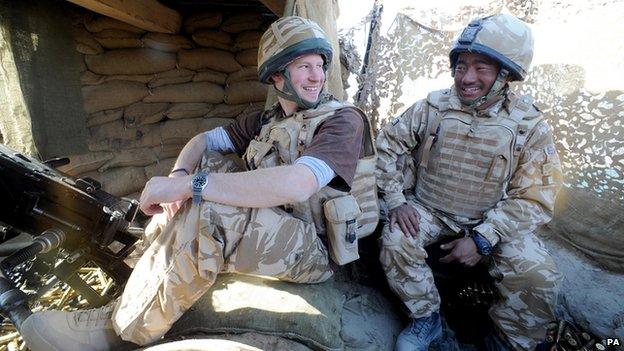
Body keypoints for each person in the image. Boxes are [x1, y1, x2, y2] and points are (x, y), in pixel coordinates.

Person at [20, 16, 377, 351]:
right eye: (304, 67)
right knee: (203, 175)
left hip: (311, 250)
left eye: (319, 66)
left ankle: (122, 332)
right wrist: (178, 177)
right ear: (277, 76)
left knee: (212, 209)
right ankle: (137, 289)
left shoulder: (342, 121)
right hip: (275, 227)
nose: (317, 77)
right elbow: (203, 142)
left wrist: (194, 185)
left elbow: (299, 183)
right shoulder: (266, 121)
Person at [375, 13, 563, 351]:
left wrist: (483, 239)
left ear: (505, 76)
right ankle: (427, 321)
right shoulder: (432, 107)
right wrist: (396, 200)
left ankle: (508, 342)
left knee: (537, 273)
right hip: (431, 211)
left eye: (481, 68)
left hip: (493, 222)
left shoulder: (528, 126)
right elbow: (385, 148)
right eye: (461, 66)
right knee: (396, 240)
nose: (467, 77)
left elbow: (535, 197)